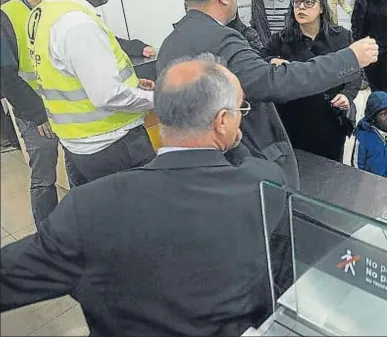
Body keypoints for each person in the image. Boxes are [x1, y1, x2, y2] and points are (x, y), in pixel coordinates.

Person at [0, 55, 286, 335]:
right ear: (222, 121)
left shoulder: (88, 209)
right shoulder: (262, 185)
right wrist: (233, 143)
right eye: (240, 110)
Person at [157, 0, 379, 187]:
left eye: (309, 3)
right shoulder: (225, 41)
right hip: (231, 165)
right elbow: (274, 82)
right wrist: (350, 58)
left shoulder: (170, 44)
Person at [27, 0, 154, 184]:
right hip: (113, 146)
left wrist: (134, 87)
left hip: (78, 144)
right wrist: (159, 99)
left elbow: (69, 73)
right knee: (141, 216)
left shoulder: (42, 13)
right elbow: (108, 95)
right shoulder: (76, 23)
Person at [0, 0, 74, 225]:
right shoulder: (6, 16)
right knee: (44, 177)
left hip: (68, 106)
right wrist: (38, 113)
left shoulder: (59, 9)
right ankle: (47, 235)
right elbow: (5, 76)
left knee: (75, 164)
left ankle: (76, 223)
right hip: (36, 113)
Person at [260, 0, 360, 162]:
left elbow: (355, 73)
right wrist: (270, 61)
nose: (301, 8)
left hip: (330, 122)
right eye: (297, 2)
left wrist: (347, 95)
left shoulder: (341, 37)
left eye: (308, 3)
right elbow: (260, 59)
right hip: (293, 121)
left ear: (321, 7)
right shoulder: (282, 39)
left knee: (330, 173)